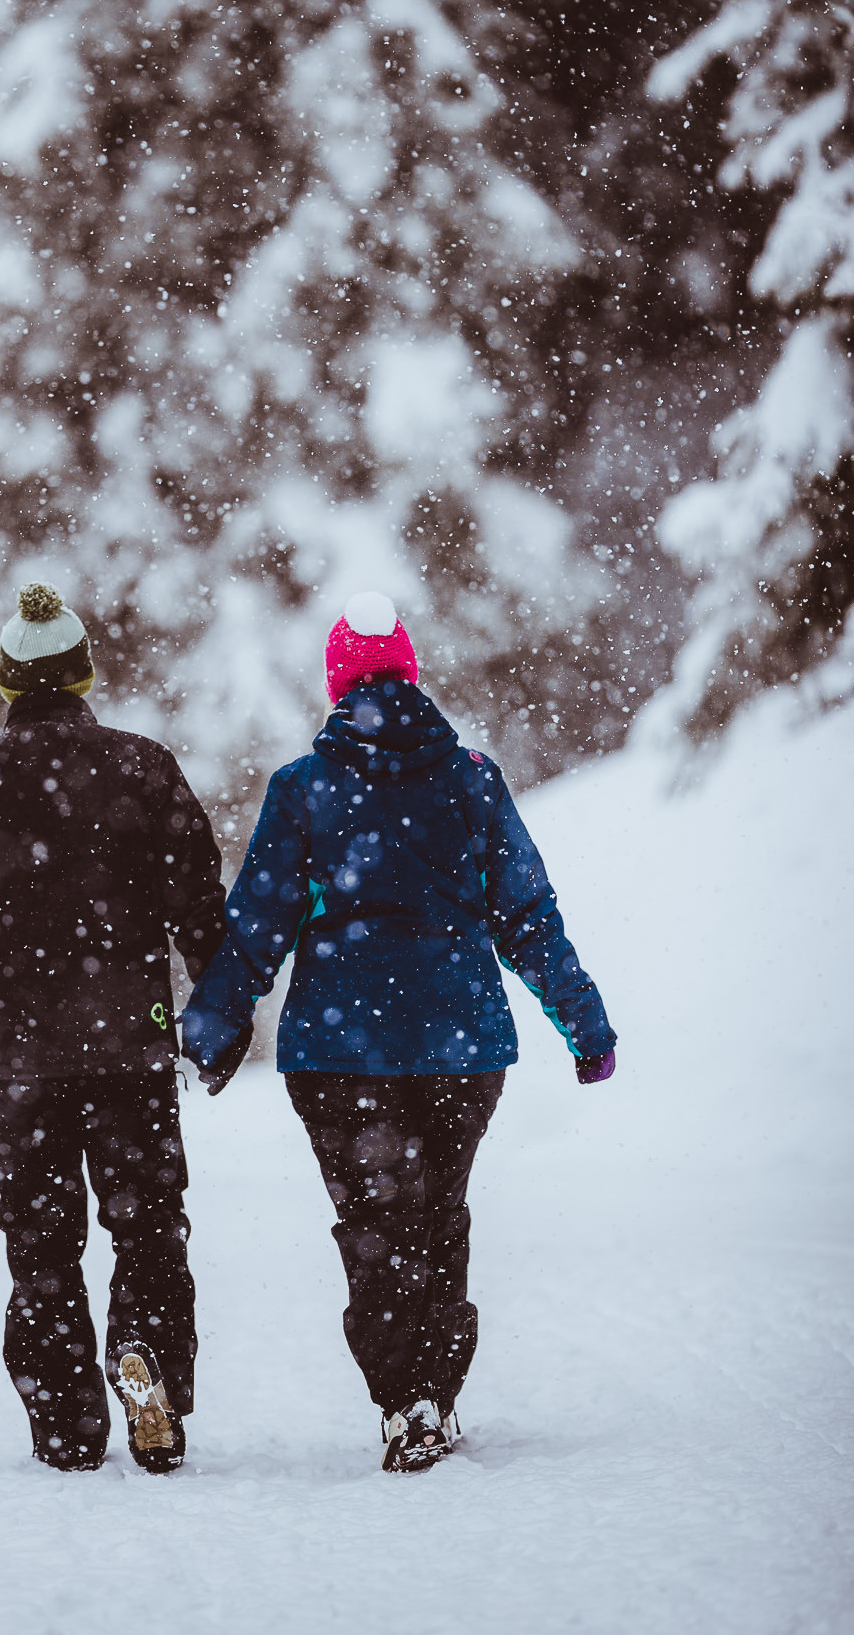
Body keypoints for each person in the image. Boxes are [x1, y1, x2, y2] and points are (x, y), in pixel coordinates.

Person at [180, 591, 616, 1474]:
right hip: (460, 1044)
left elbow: (258, 923)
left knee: (375, 1225)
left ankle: (402, 1400)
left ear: (337, 686)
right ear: (411, 677)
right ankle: (435, 1396)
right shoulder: (471, 778)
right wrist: (584, 1022)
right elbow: (526, 915)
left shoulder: (303, 789)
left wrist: (215, 1025)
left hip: (340, 1053)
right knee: (438, 1217)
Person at [0, 582, 226, 1473]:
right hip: (130, 1044)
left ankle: (64, 1425)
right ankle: (148, 1358)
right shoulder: (142, 767)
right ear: (83, 675)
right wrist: (218, 1009)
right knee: (148, 1227)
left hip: (20, 1058)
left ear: (8, 683)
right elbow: (198, 902)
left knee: (40, 1244)